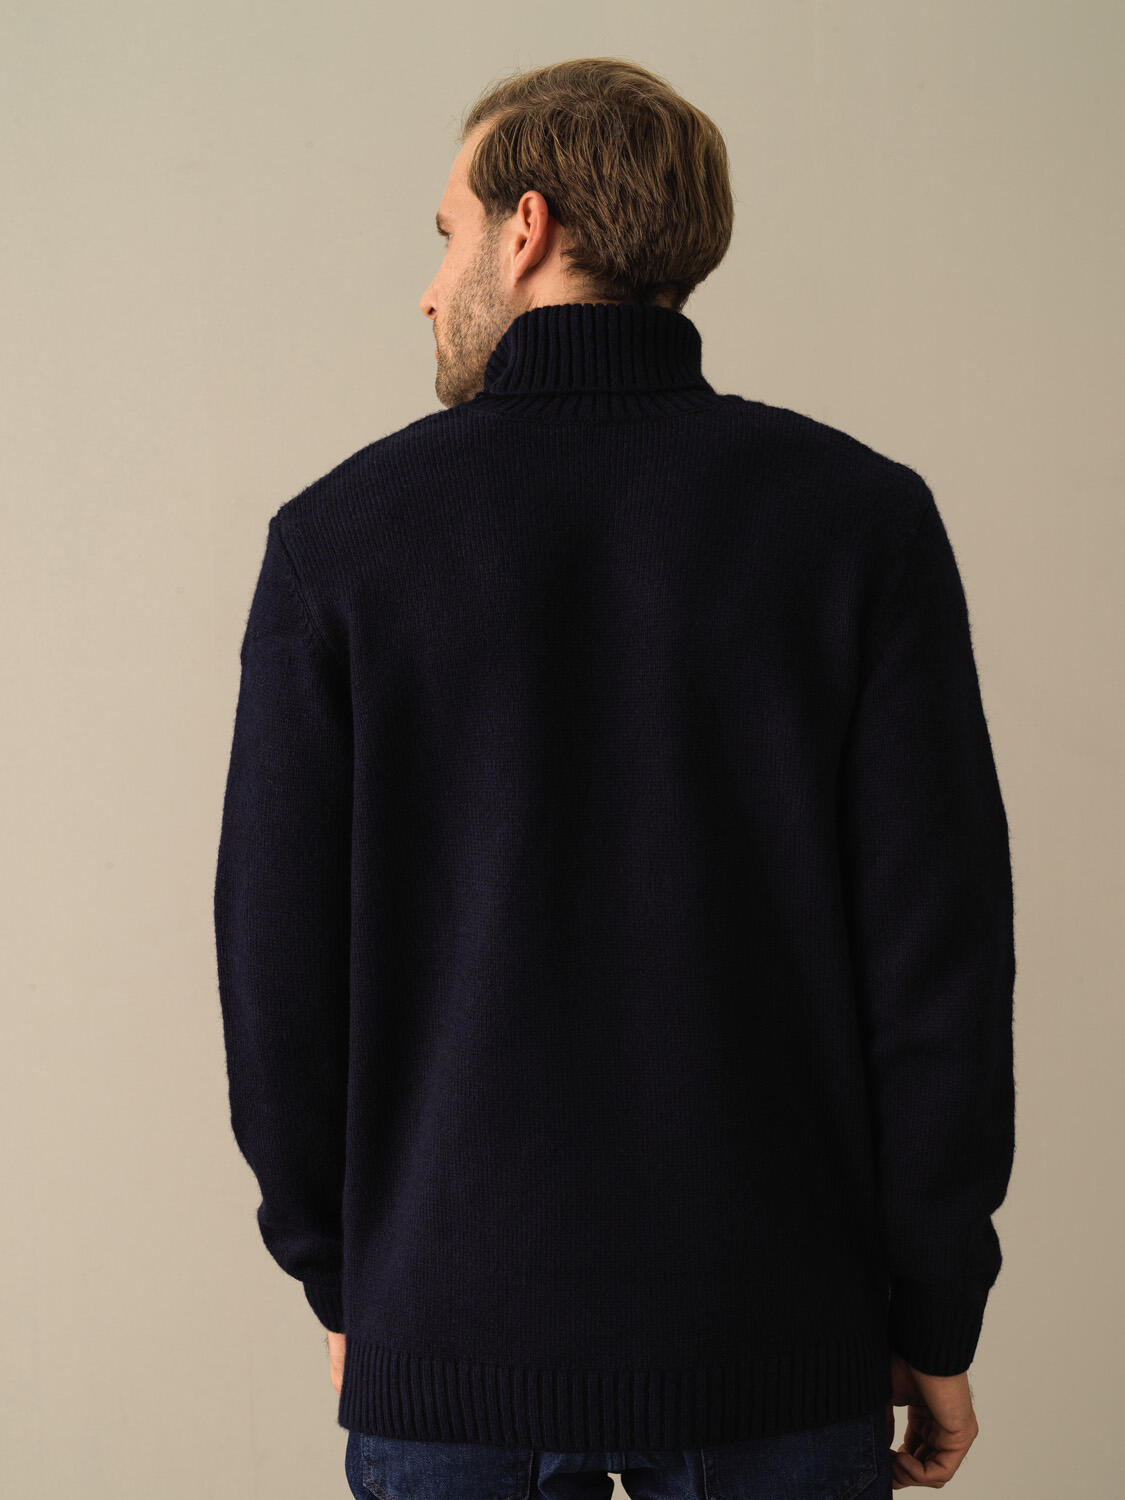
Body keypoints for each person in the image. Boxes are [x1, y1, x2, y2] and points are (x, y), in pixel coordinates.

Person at [213, 56, 1016, 1498]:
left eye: (446, 233)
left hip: (446, 1333)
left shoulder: (341, 541)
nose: (428, 288)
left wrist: (344, 1278)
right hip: (779, 1343)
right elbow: (937, 971)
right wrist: (934, 1309)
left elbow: (275, 974)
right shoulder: (859, 524)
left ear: (526, 229)